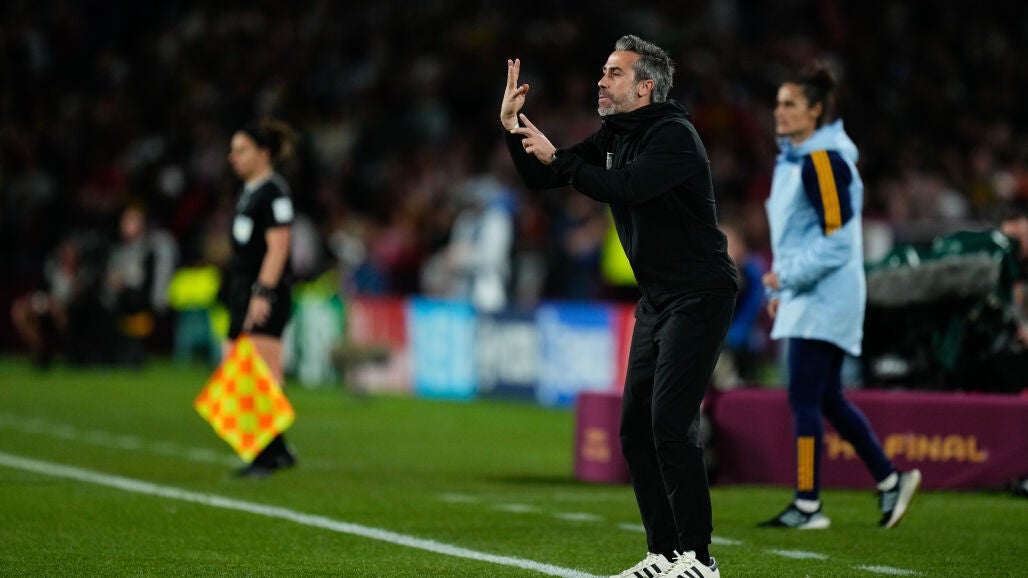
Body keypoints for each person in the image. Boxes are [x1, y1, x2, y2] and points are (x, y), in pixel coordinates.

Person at [501, 35, 739, 578]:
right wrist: (513, 127)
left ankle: (700, 559)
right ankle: (664, 554)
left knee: (670, 423)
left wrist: (561, 159)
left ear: (645, 87)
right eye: (604, 71)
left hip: (700, 294)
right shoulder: (616, 133)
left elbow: (626, 187)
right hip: (658, 299)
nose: (601, 81)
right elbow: (544, 176)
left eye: (614, 73)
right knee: (634, 429)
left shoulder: (674, 136)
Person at [760, 63, 921, 529]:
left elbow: (837, 243)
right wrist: (785, 286)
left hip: (825, 297)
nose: (779, 111)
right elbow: (802, 237)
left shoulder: (823, 161)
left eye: (790, 104)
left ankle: (808, 505)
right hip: (809, 293)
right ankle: (889, 479)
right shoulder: (797, 159)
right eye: (778, 103)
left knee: (804, 396)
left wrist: (785, 279)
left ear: (815, 110)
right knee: (825, 396)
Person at [223, 117, 300, 479]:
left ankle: (266, 455)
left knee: (262, 373)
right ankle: (277, 449)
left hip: (264, 293)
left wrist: (263, 291)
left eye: (241, 150)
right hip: (242, 291)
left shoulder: (274, 193)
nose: (232, 157)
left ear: (263, 153)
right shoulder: (250, 192)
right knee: (236, 371)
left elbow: (279, 246)